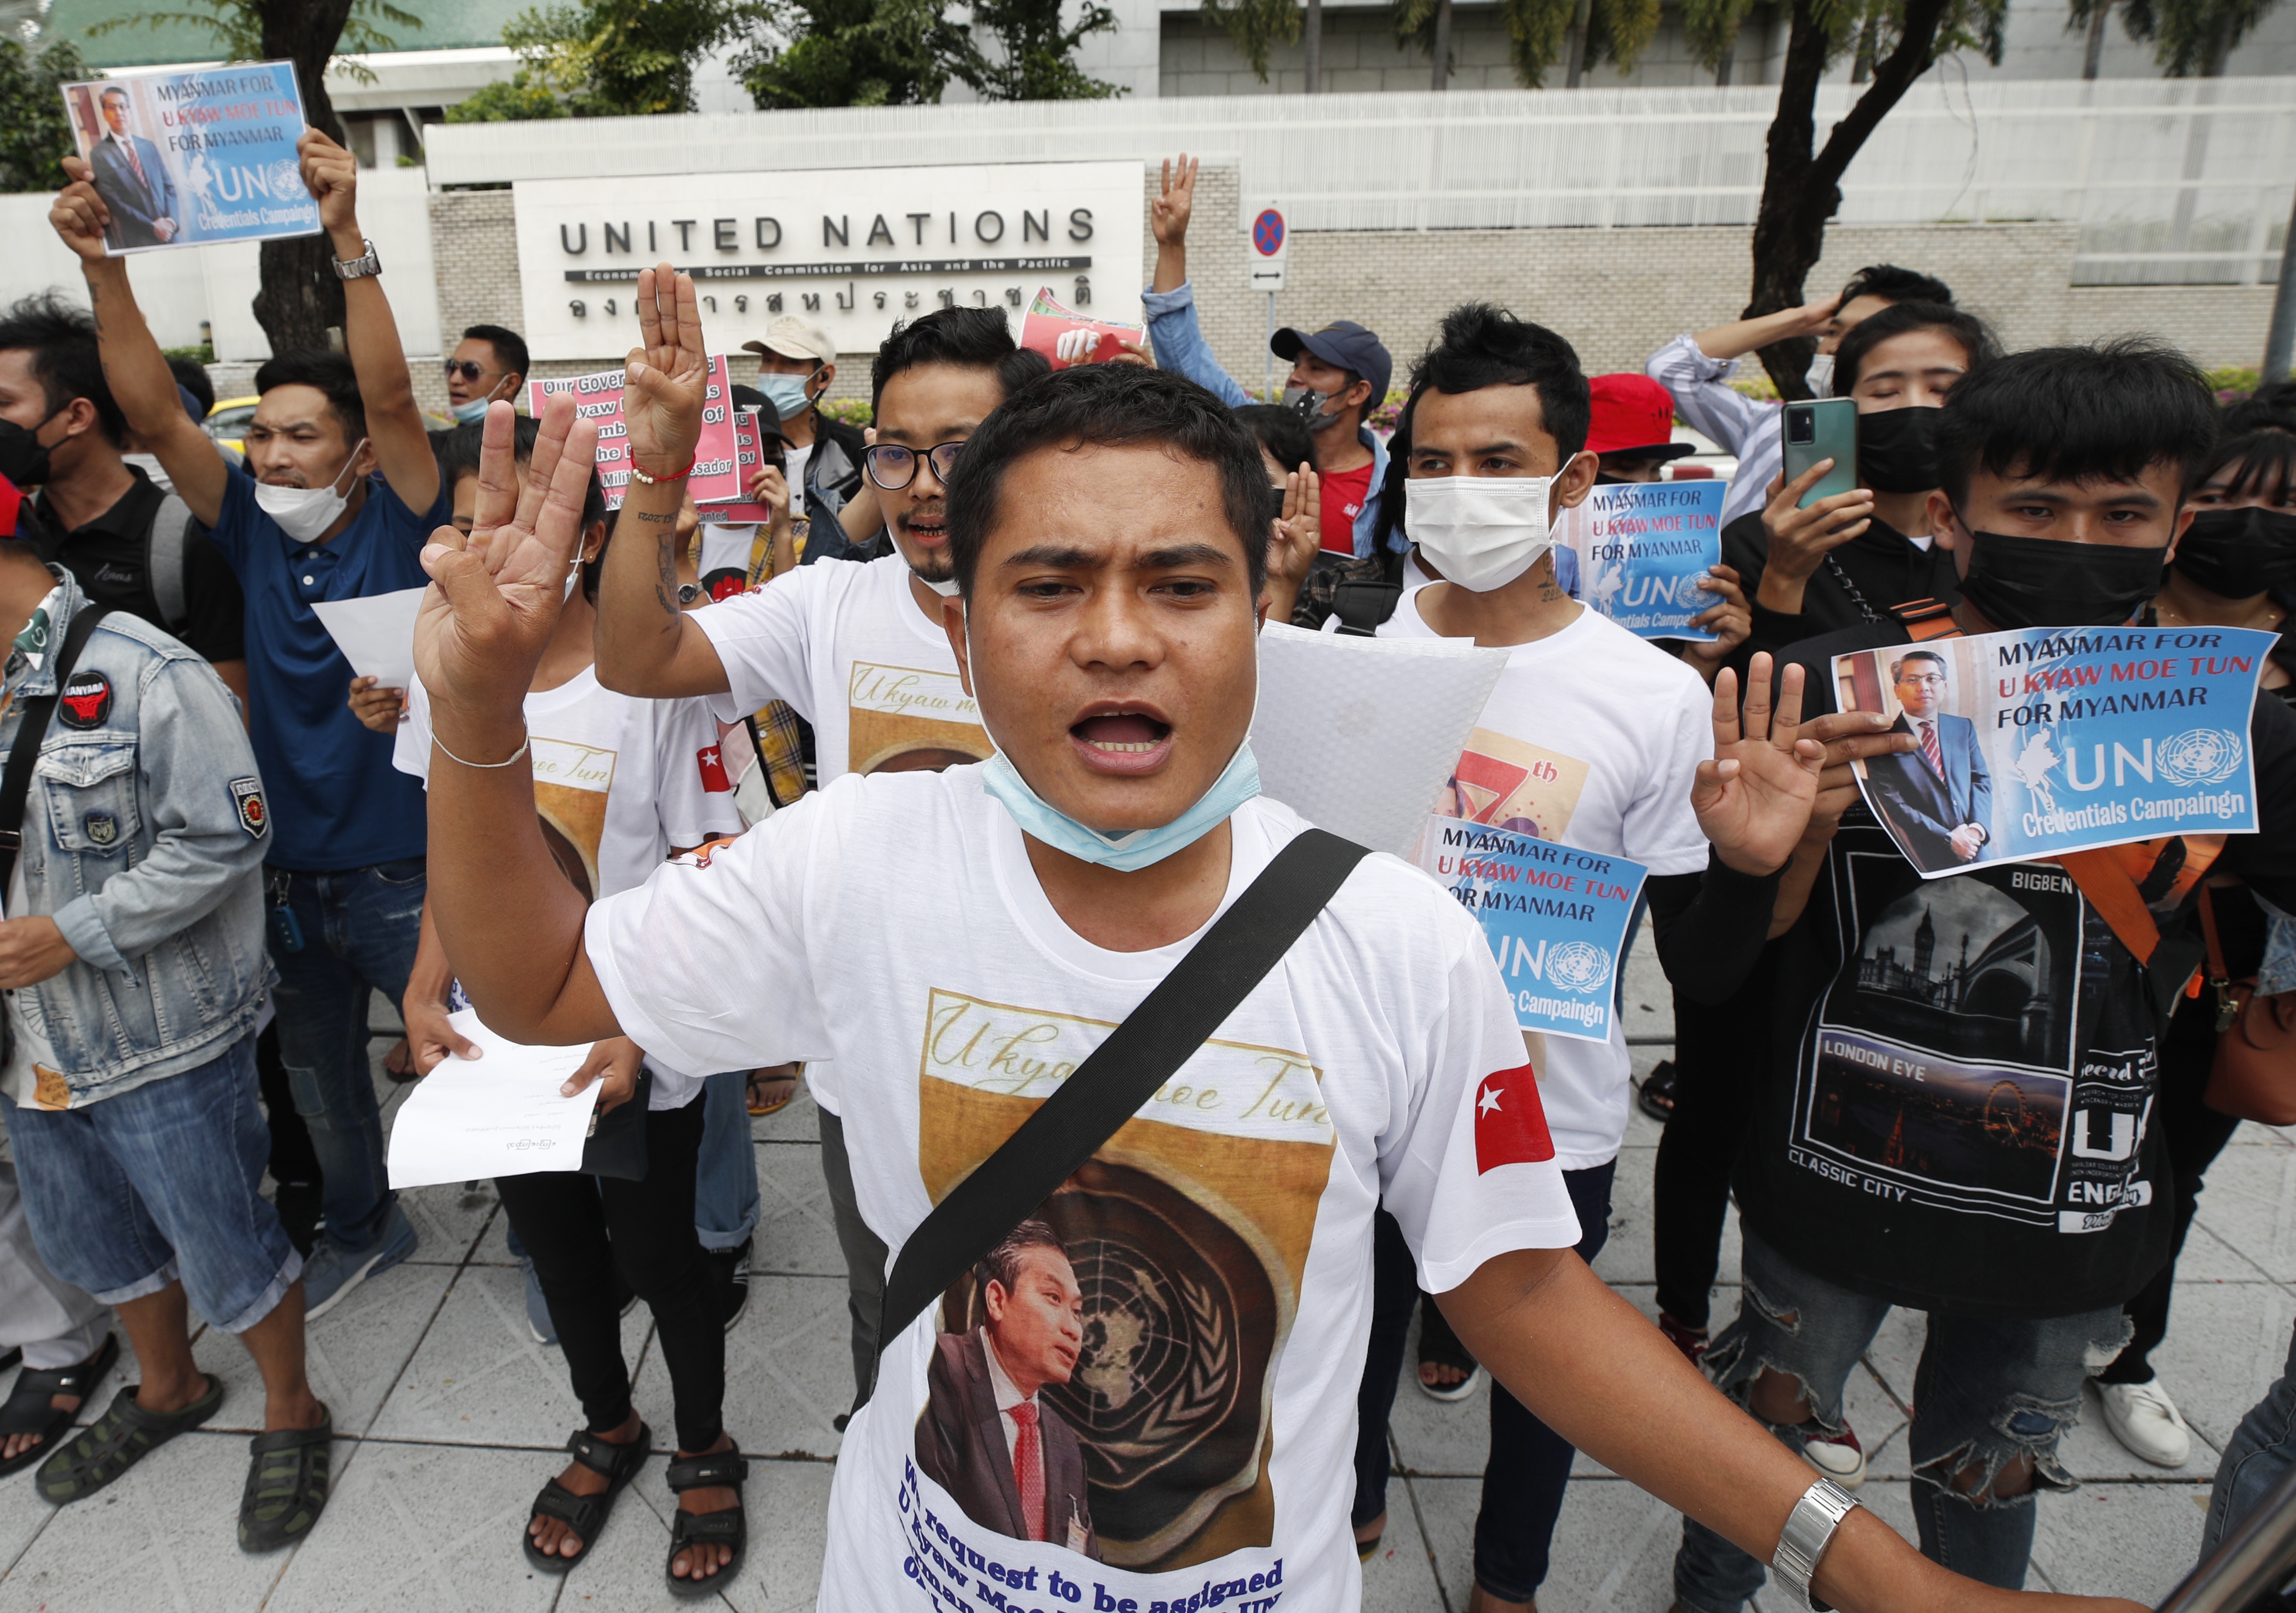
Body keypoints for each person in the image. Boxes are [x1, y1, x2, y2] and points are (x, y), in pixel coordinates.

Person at [411, 294, 2142, 1613]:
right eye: (1046, 583)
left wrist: (1866, 1564)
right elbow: (541, 990)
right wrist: (478, 706)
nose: (1113, 638)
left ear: (1266, 600)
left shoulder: (1391, 934)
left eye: (1178, 581)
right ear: (960, 610)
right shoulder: (851, 855)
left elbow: (1523, 1289)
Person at [1672, 338, 2296, 1613]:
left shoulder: (2233, 724)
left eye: (2121, 512)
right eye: (2034, 509)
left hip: (2060, 1219)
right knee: (1755, 1457)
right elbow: (1711, 964)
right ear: (1955, 521)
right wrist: (1756, 859)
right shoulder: (1827, 685)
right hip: (1829, 1180)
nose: (2078, 538)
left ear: (2177, 524)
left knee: (1984, 1489)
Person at [1341, 303, 1793, 1608]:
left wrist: (1757, 868)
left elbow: (1698, 970)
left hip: (1544, 1114)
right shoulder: (1357, 645)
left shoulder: (1644, 696)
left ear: (1572, 478)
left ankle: (1507, 1578)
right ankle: (1355, 1495)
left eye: (1495, 463)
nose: (1457, 490)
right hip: (1368, 1094)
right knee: (1358, 1325)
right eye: (1430, 463)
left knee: (1543, 1372)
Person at [594, 294, 1046, 1401]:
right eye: (898, 451)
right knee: (887, 1299)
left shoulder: (1086, 607)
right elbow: (636, 658)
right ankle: (891, 1494)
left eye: (962, 450)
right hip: (871, 1054)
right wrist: (656, 477)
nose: (926, 483)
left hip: (1049, 1048)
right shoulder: (827, 604)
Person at [51, 127, 447, 1317]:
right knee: (323, 1082)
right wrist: (105, 266)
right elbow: (152, 419)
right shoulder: (250, 530)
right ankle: (366, 1225)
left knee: (467, 1056)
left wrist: (346, 238)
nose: (272, 452)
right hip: (283, 875)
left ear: (363, 460)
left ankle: (542, 1236)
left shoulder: (403, 513)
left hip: (414, 870)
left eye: (300, 435)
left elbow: (386, 386)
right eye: (261, 432)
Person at [390, 406, 748, 1592]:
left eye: (504, 524)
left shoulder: (654, 684)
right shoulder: (449, 668)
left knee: (664, 1262)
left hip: (629, 1039)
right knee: (554, 1249)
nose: (473, 551)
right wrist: (426, 979)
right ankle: (608, 1424)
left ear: (583, 538)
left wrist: (635, 1025)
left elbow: (712, 863)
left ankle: (703, 1442)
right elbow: (457, 849)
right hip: (507, 1050)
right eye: (455, 525)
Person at [0, 537, 336, 1550]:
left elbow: (229, 836)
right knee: (91, 1236)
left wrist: (75, 928)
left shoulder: (148, 670)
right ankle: (168, 1383)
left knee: (225, 1236)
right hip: (30, 1048)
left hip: (161, 1038)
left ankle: (291, 1408)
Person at [2087, 425, 2296, 1468]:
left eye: (2284, 509)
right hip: (2088, 957)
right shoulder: (2085, 640)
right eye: (2218, 502)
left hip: (2227, 979)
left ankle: (2126, 1349)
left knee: (2171, 1166)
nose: (2247, 530)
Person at [1143, 155, 1394, 572]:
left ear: (1357, 392)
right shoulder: (1254, 429)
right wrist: (1171, 245)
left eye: (1317, 369)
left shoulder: (1389, 488)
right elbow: (1182, 354)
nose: (1297, 377)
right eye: (1297, 365)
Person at [0, 295, 248, 707]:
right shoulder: (18, 535)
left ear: (78, 416)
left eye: (4, 404)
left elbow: (230, 710)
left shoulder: (187, 543)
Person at [1731, 302, 1999, 660]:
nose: (1914, 406)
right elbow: (1749, 692)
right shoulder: (1758, 542)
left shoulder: (2000, 539)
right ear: (1843, 406)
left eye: (1942, 389)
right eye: (1884, 392)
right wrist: (1784, 576)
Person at [1645, 264, 1955, 529]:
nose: (1836, 347)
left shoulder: (1933, 450)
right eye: (1834, 332)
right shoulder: (1774, 425)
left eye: (1865, 335)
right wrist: (1800, 319)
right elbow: (1670, 369)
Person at [915, 1220, 1097, 1557]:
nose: (1073, 1329)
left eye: (1077, 1311)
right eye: (1053, 1298)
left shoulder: (1065, 1445)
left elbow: (1087, 1569)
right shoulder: (936, 1370)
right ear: (997, 1300)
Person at [739, 314, 880, 562]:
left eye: (791, 363)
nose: (772, 373)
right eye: (768, 360)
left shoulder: (856, 449)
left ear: (824, 377)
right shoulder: (741, 446)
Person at [1860, 648, 1992, 872]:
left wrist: (1976, 830)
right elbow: (1894, 804)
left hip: (1977, 848)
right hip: (1929, 856)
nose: (1924, 687)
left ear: (1945, 686)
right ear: (1897, 689)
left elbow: (1980, 780)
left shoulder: (1963, 727)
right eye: (1913, 680)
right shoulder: (1882, 742)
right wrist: (1949, 838)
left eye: (1932, 678)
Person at [88, 87, 179, 250]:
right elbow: (113, 201)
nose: (119, 112)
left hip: (170, 235)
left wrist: (171, 222)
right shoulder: (99, 153)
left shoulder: (148, 147)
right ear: (104, 114)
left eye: (123, 107)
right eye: (112, 107)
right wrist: (152, 226)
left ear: (129, 111)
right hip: (139, 239)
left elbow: (169, 187)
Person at [445, 324, 528, 426]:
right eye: (451, 366)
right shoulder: (437, 441)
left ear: (510, 384)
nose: (454, 380)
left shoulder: (533, 440)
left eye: (470, 370)